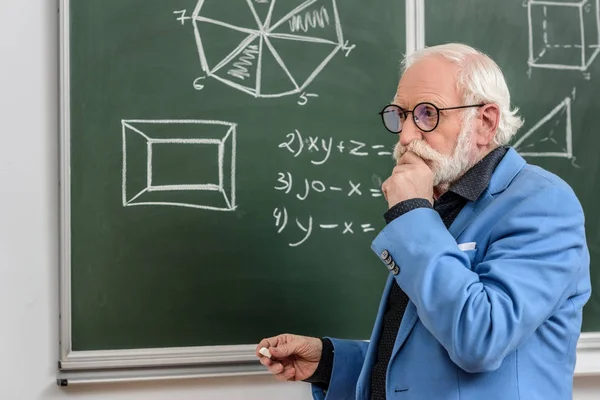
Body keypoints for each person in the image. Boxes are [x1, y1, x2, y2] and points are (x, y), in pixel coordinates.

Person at [256, 43, 591, 400]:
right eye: (401, 114)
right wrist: (330, 362)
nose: (406, 136)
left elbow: (481, 338)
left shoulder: (542, 202)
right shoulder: (441, 207)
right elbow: (424, 358)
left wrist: (412, 214)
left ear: (485, 122)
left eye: (428, 114)